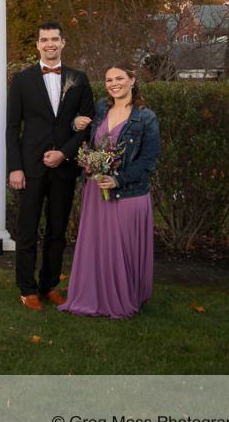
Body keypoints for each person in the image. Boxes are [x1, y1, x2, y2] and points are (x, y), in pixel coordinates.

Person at [59, 64, 160, 318]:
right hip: (97, 191)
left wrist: (118, 180)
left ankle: (121, 298)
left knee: (122, 248)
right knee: (97, 246)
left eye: (119, 78)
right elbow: (88, 138)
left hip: (127, 193)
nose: (114, 83)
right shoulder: (102, 109)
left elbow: (149, 160)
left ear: (132, 80)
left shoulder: (145, 117)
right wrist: (75, 123)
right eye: (108, 80)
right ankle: (93, 295)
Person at [6, 22, 94, 311]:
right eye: (44, 40)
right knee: (27, 228)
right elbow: (11, 127)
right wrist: (15, 167)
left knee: (58, 229)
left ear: (63, 42)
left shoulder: (79, 79)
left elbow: (86, 124)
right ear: (38, 45)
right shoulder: (22, 79)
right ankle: (27, 288)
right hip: (30, 167)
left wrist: (65, 153)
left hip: (64, 167)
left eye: (55, 39)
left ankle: (50, 284)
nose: (50, 44)